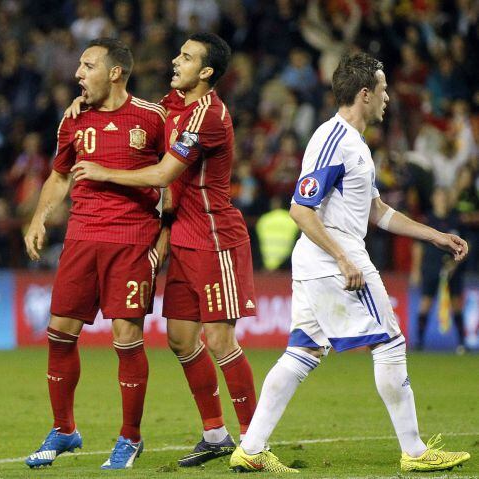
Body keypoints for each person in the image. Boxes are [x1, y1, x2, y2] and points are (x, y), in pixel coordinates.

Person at [227, 52, 471, 473]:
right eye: (382, 89)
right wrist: (342, 258)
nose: (388, 97)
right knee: (390, 340)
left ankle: (250, 449)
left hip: (321, 260)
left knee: (301, 352)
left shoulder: (355, 145)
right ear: (364, 93)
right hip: (333, 258)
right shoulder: (332, 139)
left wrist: (433, 234)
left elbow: (376, 212)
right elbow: (300, 209)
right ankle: (415, 452)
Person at [71, 33, 260, 467]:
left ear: (207, 72)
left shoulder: (207, 116)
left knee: (218, 338)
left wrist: (103, 172)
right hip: (183, 237)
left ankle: (254, 439)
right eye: (179, 54)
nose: (176, 61)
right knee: (179, 338)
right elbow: (131, 115)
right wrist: (86, 108)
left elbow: (162, 175)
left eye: (187, 57)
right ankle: (215, 434)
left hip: (215, 238)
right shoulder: (171, 104)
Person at [23, 38, 166, 470]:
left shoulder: (153, 118)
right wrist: (39, 217)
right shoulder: (74, 120)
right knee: (59, 331)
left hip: (132, 238)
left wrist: (162, 244)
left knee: (126, 337)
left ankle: (130, 437)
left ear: (116, 72)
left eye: (87, 66)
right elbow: (59, 176)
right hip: (82, 237)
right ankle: (64, 429)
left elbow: (172, 181)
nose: (78, 74)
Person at [411, 188, 467, 353]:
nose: (441, 199)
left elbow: (463, 247)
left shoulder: (455, 219)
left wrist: (454, 264)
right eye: (438, 196)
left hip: (453, 269)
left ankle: (462, 344)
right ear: (433, 199)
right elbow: (418, 246)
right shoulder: (427, 219)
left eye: (444, 196)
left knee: (456, 304)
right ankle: (419, 342)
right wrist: (416, 270)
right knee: (425, 303)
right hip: (431, 266)